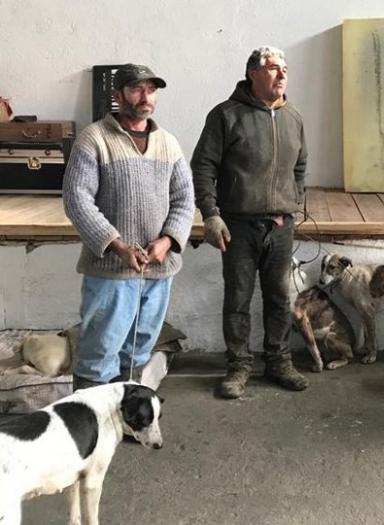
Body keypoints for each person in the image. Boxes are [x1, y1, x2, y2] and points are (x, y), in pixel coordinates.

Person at [63, 63, 195, 390]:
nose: (144, 96)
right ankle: (89, 426)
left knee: (139, 350)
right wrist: (117, 245)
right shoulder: (94, 139)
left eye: (151, 90)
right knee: (100, 351)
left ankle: (122, 416)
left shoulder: (168, 143)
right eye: (136, 89)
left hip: (158, 269)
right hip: (112, 271)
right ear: (118, 94)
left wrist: (166, 242)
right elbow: (76, 198)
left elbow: (184, 199)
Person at [191, 46, 308, 399]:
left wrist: (292, 203)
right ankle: (239, 366)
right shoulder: (225, 116)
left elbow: (300, 167)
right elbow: (203, 167)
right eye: (274, 68)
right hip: (239, 226)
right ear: (253, 73)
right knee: (238, 300)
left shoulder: (293, 117)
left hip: (281, 227)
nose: (282, 75)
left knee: (279, 298)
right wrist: (211, 214)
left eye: (285, 68)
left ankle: (279, 362)